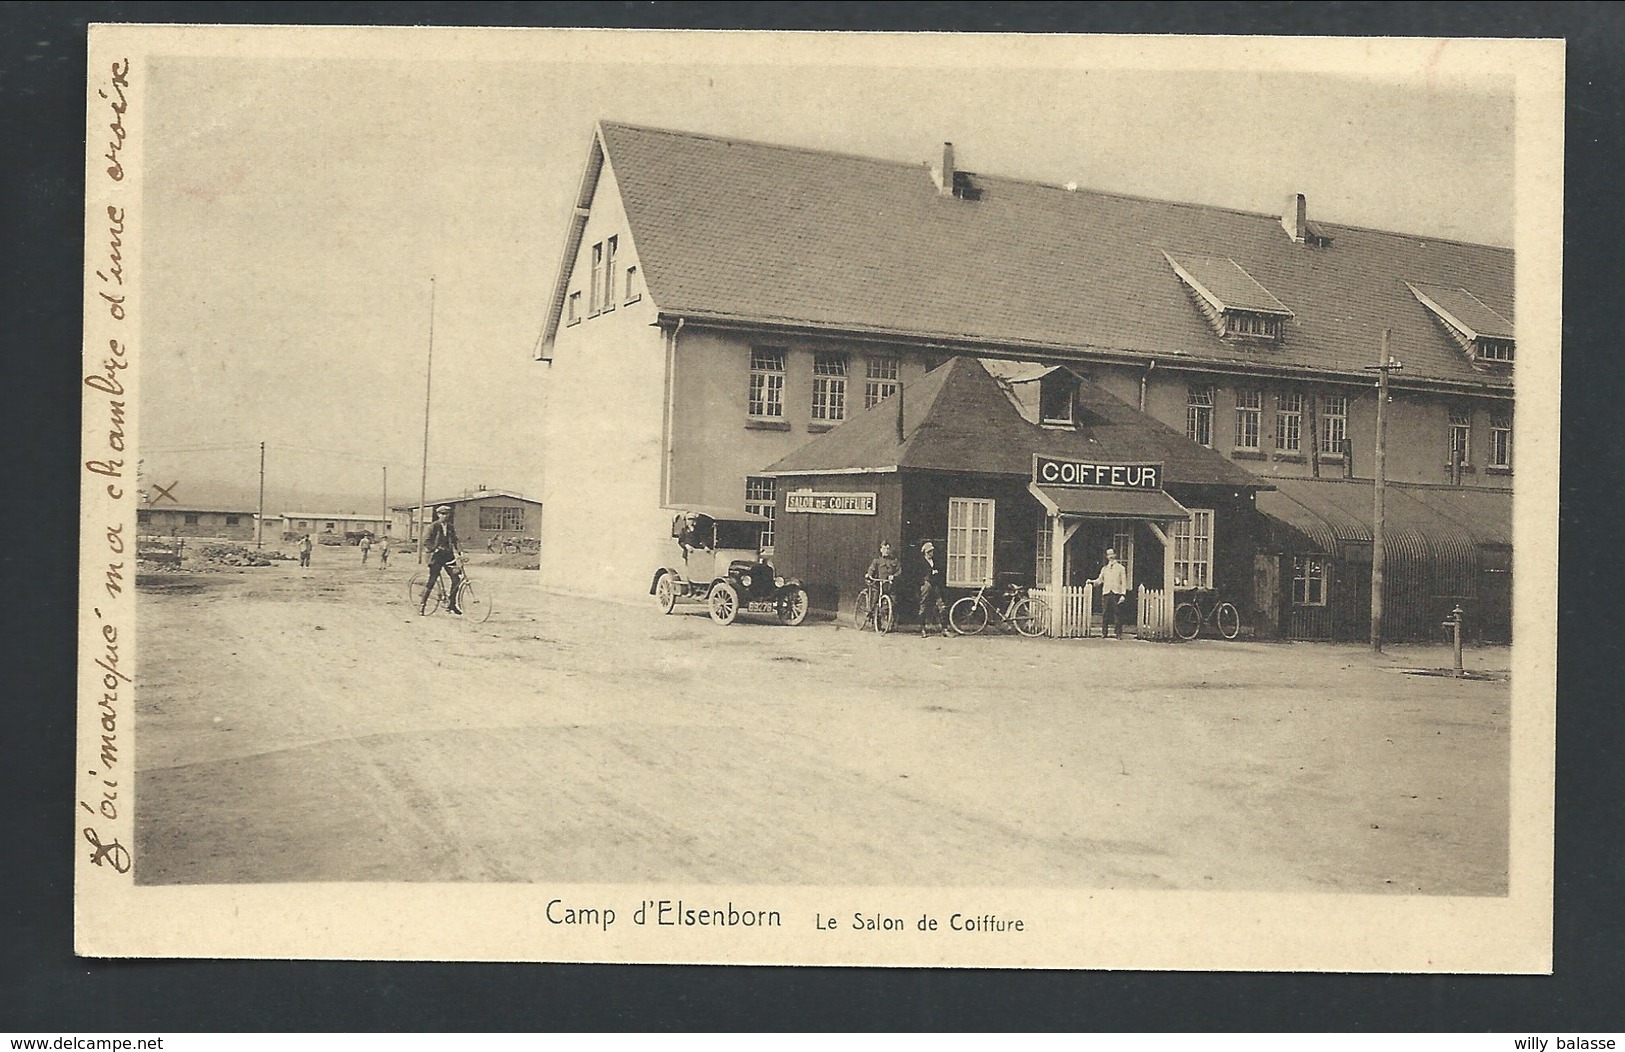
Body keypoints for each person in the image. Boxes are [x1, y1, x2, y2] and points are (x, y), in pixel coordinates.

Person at [420, 505, 464, 615]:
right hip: (436, 556)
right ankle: (422, 605)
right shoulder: (433, 526)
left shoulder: (450, 527)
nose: (445, 516)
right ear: (438, 514)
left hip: (448, 556)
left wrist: (461, 552)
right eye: (442, 514)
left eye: (447, 514)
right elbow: (426, 541)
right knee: (432, 579)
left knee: (456, 579)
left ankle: (451, 604)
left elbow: (455, 540)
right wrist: (434, 549)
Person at [1089, 547, 1130, 638]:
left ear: (1115, 555)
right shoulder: (1104, 569)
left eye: (1112, 554)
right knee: (1105, 613)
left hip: (1116, 593)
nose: (1110, 556)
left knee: (1117, 613)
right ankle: (1104, 633)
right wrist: (1092, 582)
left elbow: (1124, 582)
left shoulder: (1121, 568)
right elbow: (1099, 580)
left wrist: (1123, 594)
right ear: (1107, 556)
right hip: (1106, 593)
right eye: (1108, 554)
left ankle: (1118, 633)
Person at [917, 540, 949, 637]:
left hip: (935, 585)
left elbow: (939, 572)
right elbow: (917, 575)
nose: (931, 553)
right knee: (923, 607)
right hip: (926, 586)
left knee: (941, 606)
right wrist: (922, 583)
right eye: (929, 552)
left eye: (932, 551)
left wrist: (936, 573)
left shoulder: (935, 562)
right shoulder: (921, 562)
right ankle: (923, 629)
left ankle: (944, 629)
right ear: (925, 552)